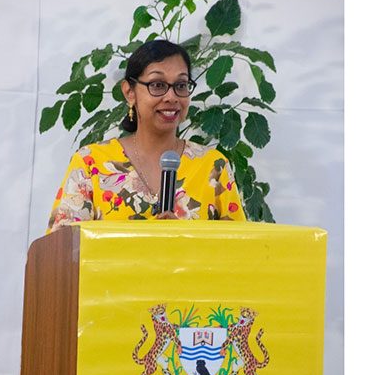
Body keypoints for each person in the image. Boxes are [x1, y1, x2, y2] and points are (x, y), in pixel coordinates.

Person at [46, 39, 246, 234]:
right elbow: (60, 251)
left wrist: (186, 241)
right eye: (158, 85)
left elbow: (239, 251)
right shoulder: (91, 163)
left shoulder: (213, 166)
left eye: (181, 85)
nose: (172, 97)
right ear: (129, 92)